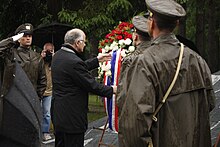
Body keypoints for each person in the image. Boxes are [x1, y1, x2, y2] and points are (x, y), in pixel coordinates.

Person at [117, 0, 216, 147]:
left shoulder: (144, 62)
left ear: (151, 23)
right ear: (176, 25)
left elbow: (134, 123)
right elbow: (210, 103)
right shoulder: (197, 60)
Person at [51, 28, 117, 147]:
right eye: (84, 41)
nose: (85, 44)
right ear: (77, 43)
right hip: (72, 118)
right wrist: (113, 89)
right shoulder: (73, 61)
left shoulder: (58, 56)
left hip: (59, 115)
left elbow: (76, 70)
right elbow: (92, 85)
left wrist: (97, 61)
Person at [0, 23, 46, 146]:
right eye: (24, 35)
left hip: (31, 101)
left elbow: (42, 81)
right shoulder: (10, 54)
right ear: (19, 37)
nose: (27, 38)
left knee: (31, 134)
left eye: (30, 36)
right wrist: (12, 39)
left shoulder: (37, 57)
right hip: (14, 101)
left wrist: (37, 98)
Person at [117, 14, 151, 116]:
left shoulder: (130, 60)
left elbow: (124, 96)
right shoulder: (161, 54)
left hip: (138, 117)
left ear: (135, 36)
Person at [40, 42, 54, 141]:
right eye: (47, 51)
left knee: (47, 113)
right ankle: (37, 131)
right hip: (39, 91)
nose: (48, 53)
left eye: (50, 51)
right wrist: (40, 58)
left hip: (49, 92)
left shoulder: (56, 61)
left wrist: (54, 58)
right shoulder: (39, 61)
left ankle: (45, 132)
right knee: (37, 112)